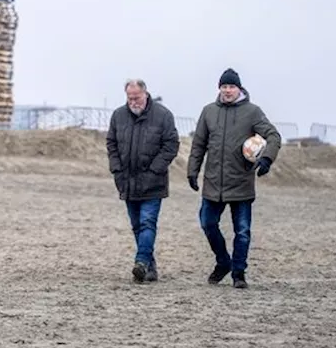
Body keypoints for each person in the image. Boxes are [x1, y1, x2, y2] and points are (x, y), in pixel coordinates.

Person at [186, 68, 282, 289]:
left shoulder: (252, 112)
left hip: (241, 183)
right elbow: (199, 144)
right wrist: (193, 170)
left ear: (239, 89)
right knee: (207, 223)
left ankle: (239, 273)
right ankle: (223, 262)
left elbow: (273, 136)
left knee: (243, 231)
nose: (227, 90)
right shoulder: (208, 112)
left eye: (231, 87)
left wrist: (266, 159)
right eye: (224, 86)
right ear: (219, 88)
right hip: (213, 184)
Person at [106, 78, 179, 283]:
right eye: (129, 98)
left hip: (153, 183)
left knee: (148, 223)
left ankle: (140, 261)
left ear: (145, 93)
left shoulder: (163, 115)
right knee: (137, 226)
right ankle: (149, 267)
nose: (133, 101)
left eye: (136, 97)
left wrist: (156, 169)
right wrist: (116, 169)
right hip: (127, 181)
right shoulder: (118, 116)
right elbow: (111, 143)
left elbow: (171, 144)